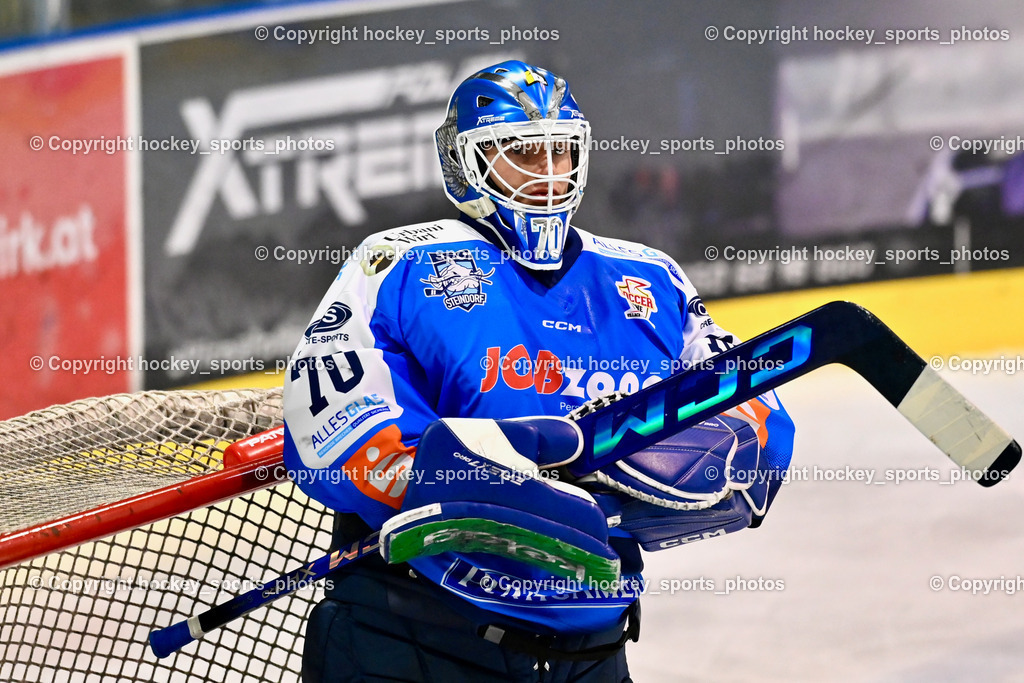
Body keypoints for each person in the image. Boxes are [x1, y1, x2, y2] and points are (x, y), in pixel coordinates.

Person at [283, 60, 795, 682]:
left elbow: (758, 423)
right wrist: (478, 489)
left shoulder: (650, 279)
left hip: (591, 651)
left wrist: (682, 468)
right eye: (523, 153)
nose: (548, 174)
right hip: (415, 641)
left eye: (561, 152)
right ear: (466, 163)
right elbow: (333, 431)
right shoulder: (398, 264)